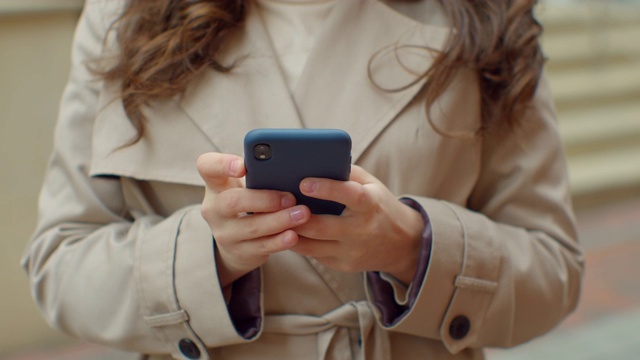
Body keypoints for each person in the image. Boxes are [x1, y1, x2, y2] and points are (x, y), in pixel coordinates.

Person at [22, 0, 584, 359]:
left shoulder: (486, 15)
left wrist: (413, 246)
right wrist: (207, 256)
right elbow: (61, 264)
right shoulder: (126, 15)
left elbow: (554, 271)